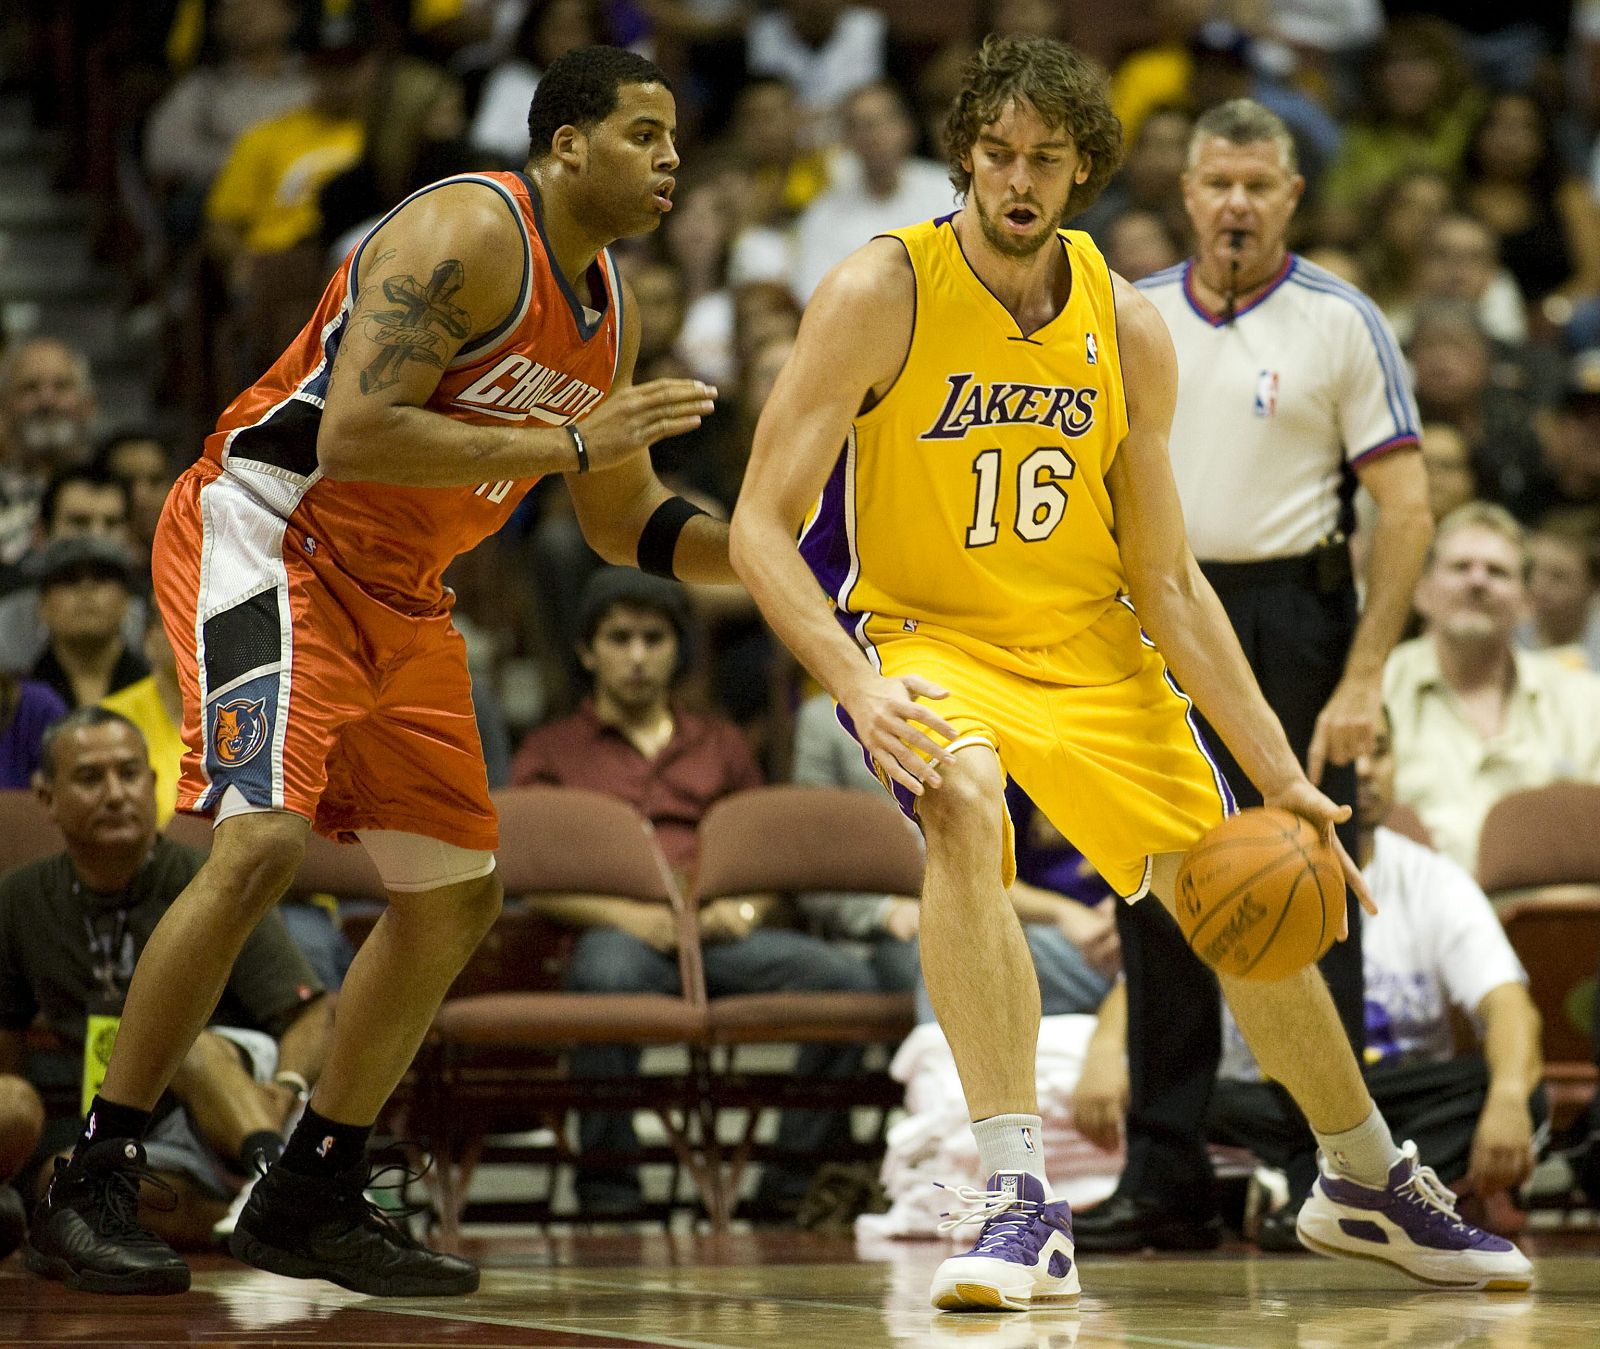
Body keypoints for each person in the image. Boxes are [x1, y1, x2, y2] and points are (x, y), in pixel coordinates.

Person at [729, 34, 1532, 1312]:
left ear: (1085, 170)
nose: (1017, 178)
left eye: (1046, 157)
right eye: (996, 152)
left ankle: (1361, 1176)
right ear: (966, 156)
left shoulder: (1123, 321)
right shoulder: (880, 290)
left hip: (1097, 649)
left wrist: (1281, 776)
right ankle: (1014, 1195)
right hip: (932, 639)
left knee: (1239, 885)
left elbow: (1168, 583)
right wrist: (858, 681)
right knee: (964, 798)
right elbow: (756, 526)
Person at [27, 44, 731, 1299]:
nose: (670, 156)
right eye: (643, 132)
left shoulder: (609, 306)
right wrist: (568, 436)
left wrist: (784, 565)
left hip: (403, 594)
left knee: (454, 896)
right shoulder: (466, 226)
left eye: (674, 137)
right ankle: (94, 1170)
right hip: (275, 533)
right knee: (257, 847)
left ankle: (311, 1186)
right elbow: (354, 427)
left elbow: (623, 521)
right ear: (566, 144)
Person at [1079, 97, 1433, 1255]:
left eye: (1257, 186)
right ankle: (1164, 1172)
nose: (1235, 203)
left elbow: (1407, 507)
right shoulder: (1130, 318)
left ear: (1291, 197)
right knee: (1162, 889)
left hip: (1296, 616)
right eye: (1215, 182)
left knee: (1304, 882)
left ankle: (1315, 1168)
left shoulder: (1343, 320)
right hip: (1158, 610)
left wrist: (1364, 673)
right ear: (1185, 193)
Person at [1074, 713, 1548, 1249]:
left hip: (1388, 1099)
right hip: (1258, 1101)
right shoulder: (1241, 860)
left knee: (1519, 1093)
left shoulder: (1433, 880)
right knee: (1175, 1091)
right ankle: (1302, 1182)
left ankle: (1302, 1185)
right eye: (1351, 754)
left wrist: (1508, 1096)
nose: (1364, 769)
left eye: (1380, 752)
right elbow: (1155, 983)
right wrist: (1103, 1052)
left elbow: (1509, 1006)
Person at [511, 567, 874, 1218]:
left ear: (679, 648)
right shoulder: (551, 749)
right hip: (620, 936)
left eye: (654, 637)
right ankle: (610, 1189)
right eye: (619, 638)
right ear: (587, 651)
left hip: (717, 935)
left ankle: (789, 1177)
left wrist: (745, 908)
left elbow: (761, 852)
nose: (638, 656)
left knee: (846, 979)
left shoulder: (721, 743)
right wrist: (629, 915)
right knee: (603, 971)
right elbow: (534, 875)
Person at [5, 711, 330, 1252]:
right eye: (90, 778)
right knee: (61, 1184)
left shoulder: (210, 882)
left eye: (130, 774)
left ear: (154, 785)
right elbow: (6, 1040)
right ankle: (265, 1226)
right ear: (47, 798)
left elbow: (311, 1013)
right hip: (124, 1129)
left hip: (222, 1103)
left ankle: (276, 1175)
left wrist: (286, 1089)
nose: (115, 794)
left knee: (177, 1041)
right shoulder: (20, 898)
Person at [1385, 502, 1600, 873]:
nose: (1477, 581)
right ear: (1421, 591)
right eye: (1460, 567)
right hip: (1413, 916)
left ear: (1527, 603)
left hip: (1546, 915)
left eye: (1498, 572)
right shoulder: (1376, 692)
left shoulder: (1584, 700)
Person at [27, 536, 150, 711]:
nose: (86, 589)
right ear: (42, 604)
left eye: (102, 577)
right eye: (69, 579)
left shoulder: (158, 687)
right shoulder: (21, 699)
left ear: (126, 599)